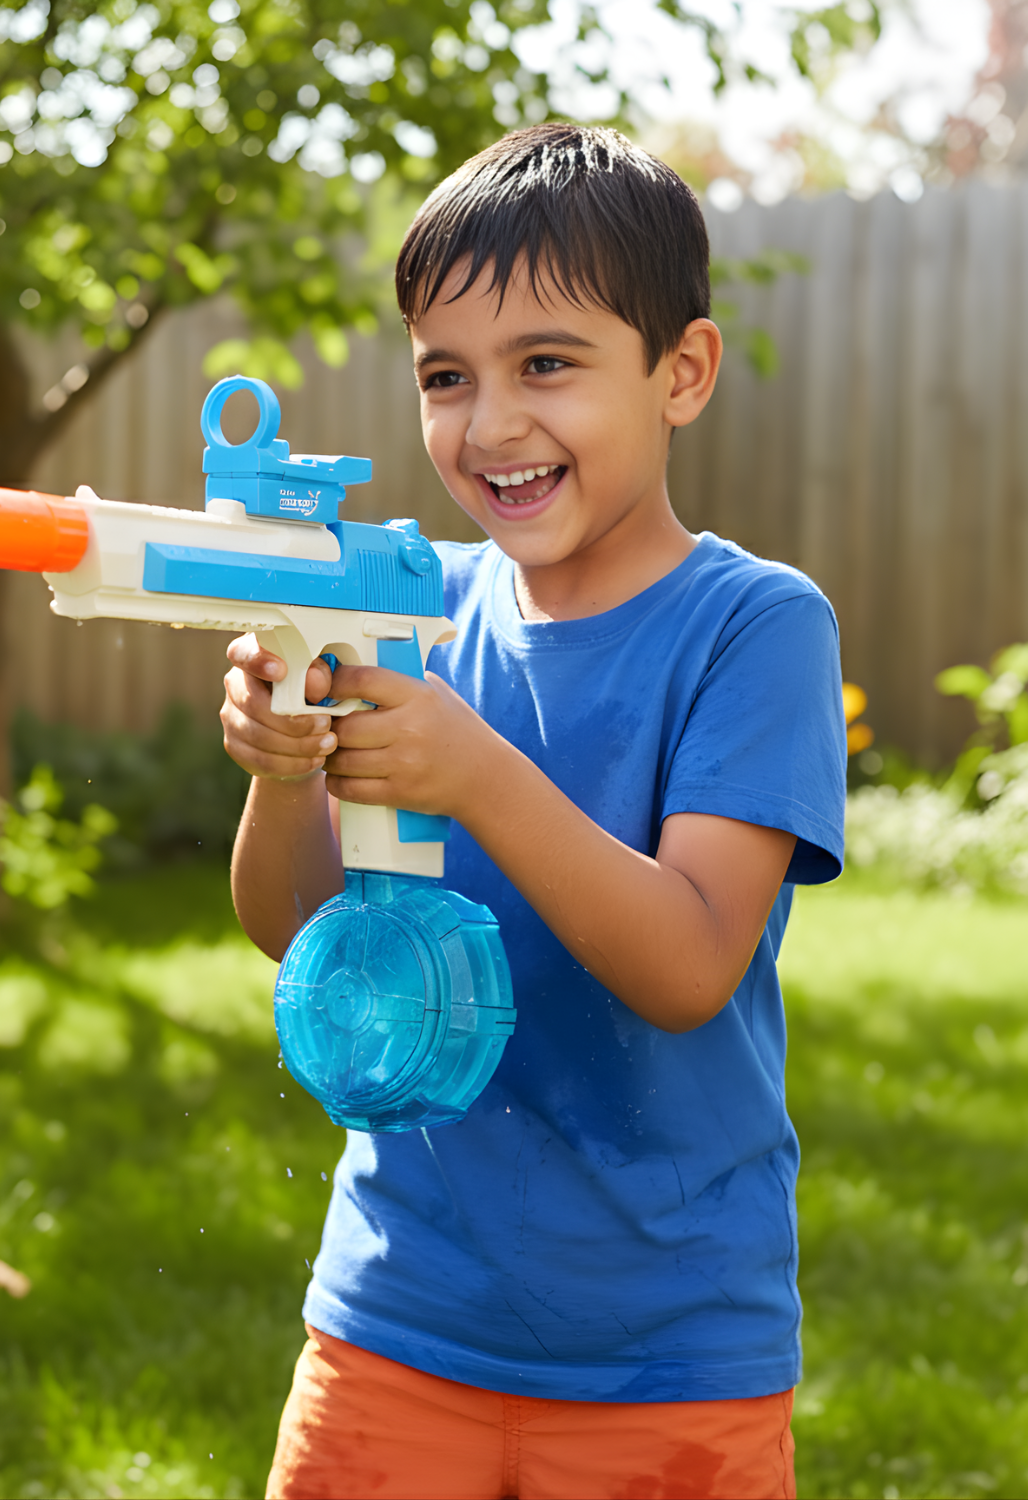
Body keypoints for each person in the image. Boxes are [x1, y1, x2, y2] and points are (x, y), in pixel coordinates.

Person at [220, 122, 847, 1500]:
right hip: (395, 1323)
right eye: (446, 376)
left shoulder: (754, 630)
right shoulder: (411, 613)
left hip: (669, 1358)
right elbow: (300, 934)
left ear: (681, 372)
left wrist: (479, 774)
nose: (490, 423)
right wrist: (281, 772)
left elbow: (689, 965)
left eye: (546, 364)